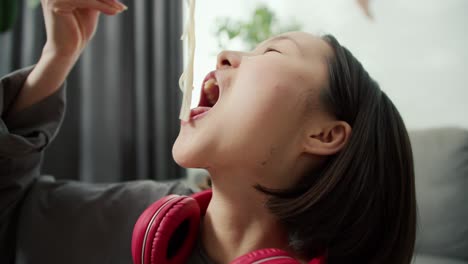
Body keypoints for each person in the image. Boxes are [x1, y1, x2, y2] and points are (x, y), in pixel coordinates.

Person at [0, 0, 417, 263]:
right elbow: (10, 216)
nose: (225, 55)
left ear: (324, 135)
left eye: (272, 51)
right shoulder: (143, 215)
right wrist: (57, 58)